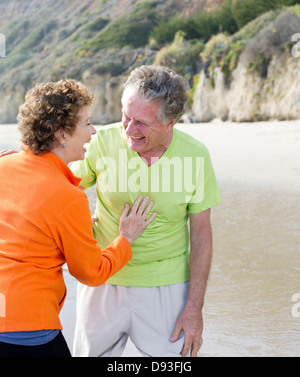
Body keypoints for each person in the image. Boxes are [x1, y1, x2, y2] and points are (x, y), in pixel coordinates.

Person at [72, 65, 221, 357]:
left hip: (166, 286)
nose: (128, 129)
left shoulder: (195, 156)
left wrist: (194, 308)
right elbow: (62, 188)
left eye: (141, 122)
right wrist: (28, 160)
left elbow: (202, 235)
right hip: (103, 278)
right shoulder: (102, 142)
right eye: (125, 116)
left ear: (170, 123)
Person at [0, 79, 156, 357]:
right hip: (26, 329)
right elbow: (91, 273)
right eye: (86, 123)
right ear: (61, 133)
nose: (93, 131)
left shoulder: (3, 165)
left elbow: (25, 228)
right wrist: (126, 239)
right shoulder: (68, 197)